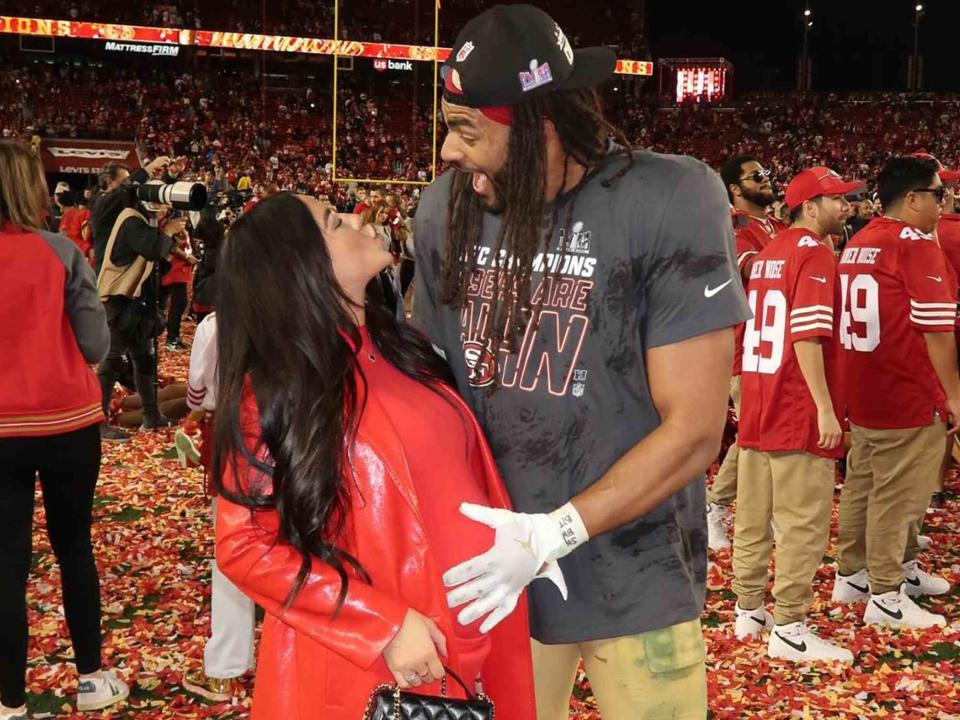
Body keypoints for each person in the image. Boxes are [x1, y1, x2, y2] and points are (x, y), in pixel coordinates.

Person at [413, 6, 750, 719]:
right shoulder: (447, 209)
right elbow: (432, 391)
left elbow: (693, 428)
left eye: (469, 130)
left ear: (539, 129)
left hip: (634, 572)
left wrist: (553, 533)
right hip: (492, 572)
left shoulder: (669, 198)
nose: (449, 151)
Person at [212, 193, 537, 720]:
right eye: (334, 221)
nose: (359, 218)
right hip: (376, 669)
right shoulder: (277, 392)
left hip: (475, 643)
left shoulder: (401, 348)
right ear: (301, 267)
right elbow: (246, 547)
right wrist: (380, 624)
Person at [0, 139, 128, 720]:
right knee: (73, 547)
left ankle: (8, 700)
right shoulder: (59, 251)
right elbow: (96, 343)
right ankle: (90, 677)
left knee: (6, 562)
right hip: (66, 422)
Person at [731, 167, 861, 663]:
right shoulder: (817, 255)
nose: (845, 207)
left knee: (754, 514)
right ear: (810, 206)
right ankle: (789, 625)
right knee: (802, 521)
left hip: (761, 396)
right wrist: (826, 409)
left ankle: (748, 611)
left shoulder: (770, 252)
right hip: (794, 400)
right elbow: (807, 335)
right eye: (837, 200)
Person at [833, 155, 955, 629]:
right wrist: (955, 395)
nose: (942, 203)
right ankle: (885, 594)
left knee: (864, 483)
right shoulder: (916, 246)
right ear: (911, 199)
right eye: (936, 194)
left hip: (864, 385)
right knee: (898, 493)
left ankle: (857, 574)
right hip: (905, 387)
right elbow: (937, 329)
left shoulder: (860, 241)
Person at [709, 155, 786, 550]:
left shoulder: (774, 226)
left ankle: (756, 511)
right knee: (753, 435)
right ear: (735, 189)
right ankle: (715, 507)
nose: (766, 180)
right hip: (749, 347)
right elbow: (753, 270)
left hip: (779, 346)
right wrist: (798, 256)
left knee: (766, 435)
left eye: (767, 174)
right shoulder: (734, 227)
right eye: (756, 176)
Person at [179, 312, 256, 702]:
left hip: (236, 436)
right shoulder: (311, 304)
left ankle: (226, 666)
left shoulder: (221, 321)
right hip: (301, 438)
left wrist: (197, 409)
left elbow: (197, 387)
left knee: (234, 551)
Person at [95, 176, 186, 441]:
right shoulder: (130, 218)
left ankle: (151, 415)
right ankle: (99, 422)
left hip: (138, 301)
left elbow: (157, 262)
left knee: (144, 359)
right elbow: (150, 249)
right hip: (120, 300)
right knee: (111, 362)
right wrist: (166, 233)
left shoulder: (142, 221)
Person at [159, 217, 198, 351]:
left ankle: (173, 337)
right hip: (175, 269)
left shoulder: (178, 222)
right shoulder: (169, 223)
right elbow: (172, 247)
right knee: (178, 304)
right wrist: (187, 257)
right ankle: (172, 339)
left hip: (180, 269)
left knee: (177, 304)